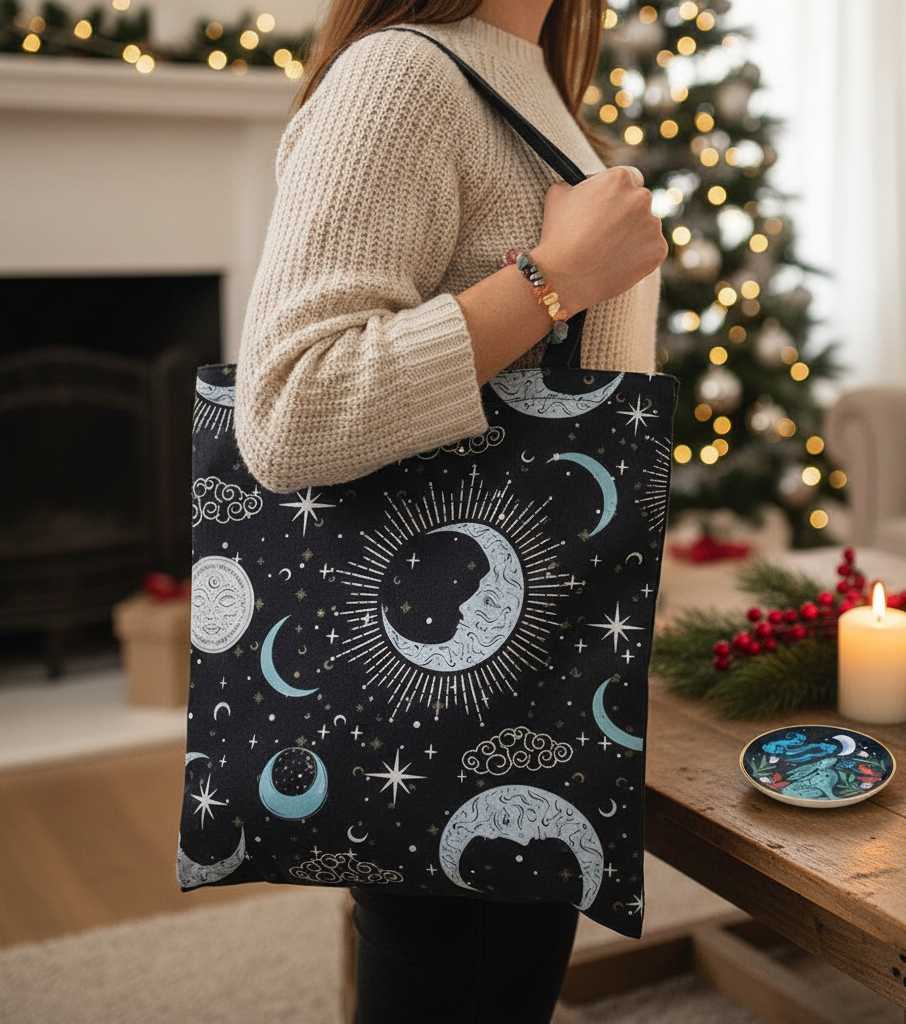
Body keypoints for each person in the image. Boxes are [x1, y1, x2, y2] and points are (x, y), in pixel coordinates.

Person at [234, 1, 666, 1020]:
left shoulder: (527, 70)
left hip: (529, 656)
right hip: (454, 696)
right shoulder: (401, 77)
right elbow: (288, 407)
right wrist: (553, 280)